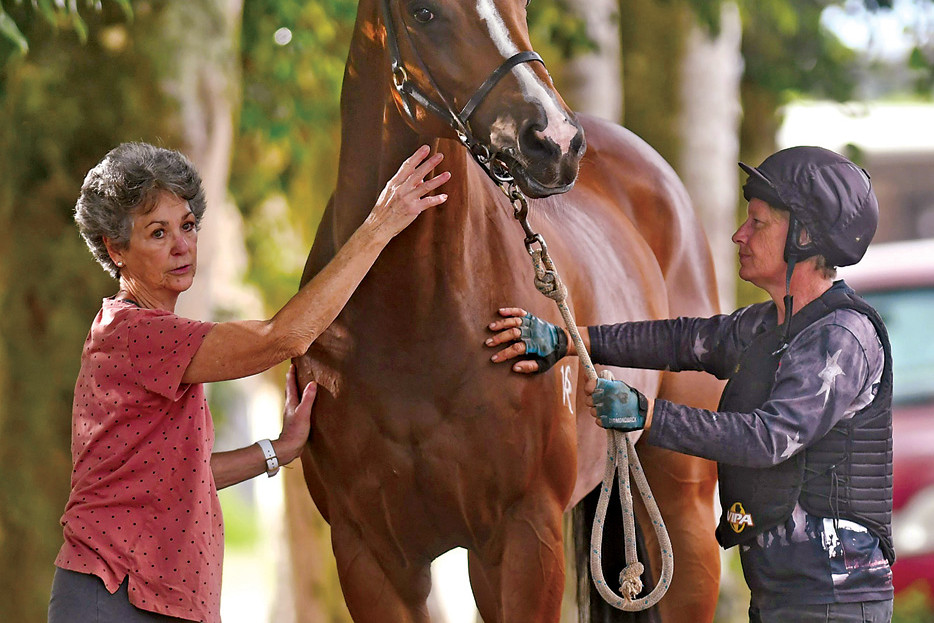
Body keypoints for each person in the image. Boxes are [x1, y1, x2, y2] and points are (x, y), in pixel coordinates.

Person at [486, 146, 894, 622]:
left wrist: (649, 416)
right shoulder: (768, 327)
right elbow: (681, 340)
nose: (739, 235)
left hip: (834, 604)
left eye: (758, 223)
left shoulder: (841, 339)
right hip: (785, 597)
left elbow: (767, 438)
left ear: (804, 236)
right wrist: (567, 339)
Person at [49, 142, 450, 623]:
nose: (182, 246)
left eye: (189, 225)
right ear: (116, 249)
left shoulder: (139, 334)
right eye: (158, 233)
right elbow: (283, 338)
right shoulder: (135, 334)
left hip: (162, 597)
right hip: (114, 594)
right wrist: (382, 223)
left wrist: (278, 450)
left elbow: (178, 478)